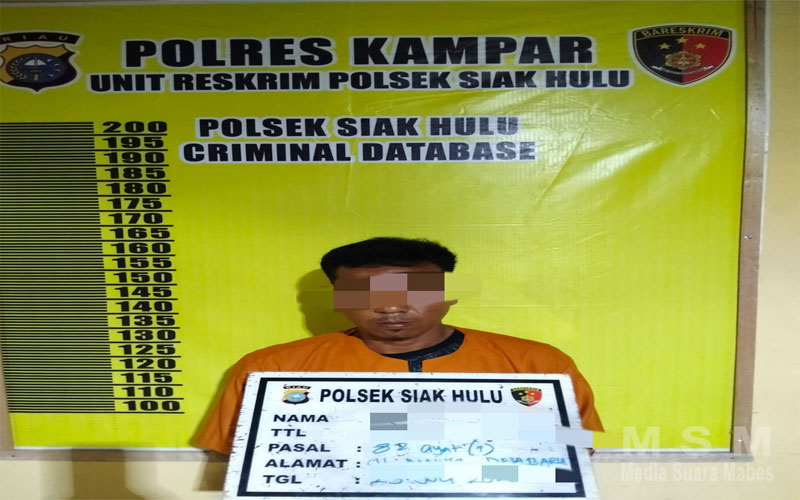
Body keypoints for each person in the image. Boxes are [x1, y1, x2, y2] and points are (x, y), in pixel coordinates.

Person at [196, 237, 603, 454]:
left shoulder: (535, 364)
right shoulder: (274, 369)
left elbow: (576, 450)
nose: (391, 306)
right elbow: (243, 460)